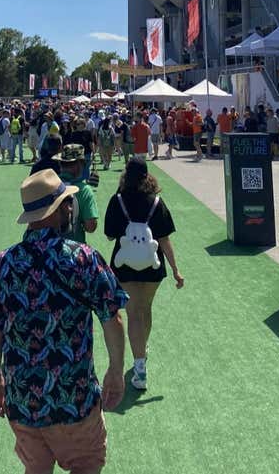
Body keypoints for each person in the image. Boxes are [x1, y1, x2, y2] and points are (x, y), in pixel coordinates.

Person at [0, 169, 128, 474]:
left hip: (23, 402)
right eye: (68, 202)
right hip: (74, 399)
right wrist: (116, 370)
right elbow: (112, 319)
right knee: (87, 465)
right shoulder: (83, 258)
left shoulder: (2, 263)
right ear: (63, 209)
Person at [104, 158, 184, 390]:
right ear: (147, 175)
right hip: (153, 265)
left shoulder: (117, 201)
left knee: (133, 313)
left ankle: (139, 364)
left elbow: (110, 235)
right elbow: (164, 240)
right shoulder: (157, 202)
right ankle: (141, 354)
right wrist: (176, 270)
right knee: (144, 310)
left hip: (124, 265)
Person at [55, 144, 98, 244]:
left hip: (48, 249)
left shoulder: (48, 184)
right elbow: (91, 226)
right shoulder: (84, 190)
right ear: (79, 165)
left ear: (61, 164)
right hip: (74, 250)